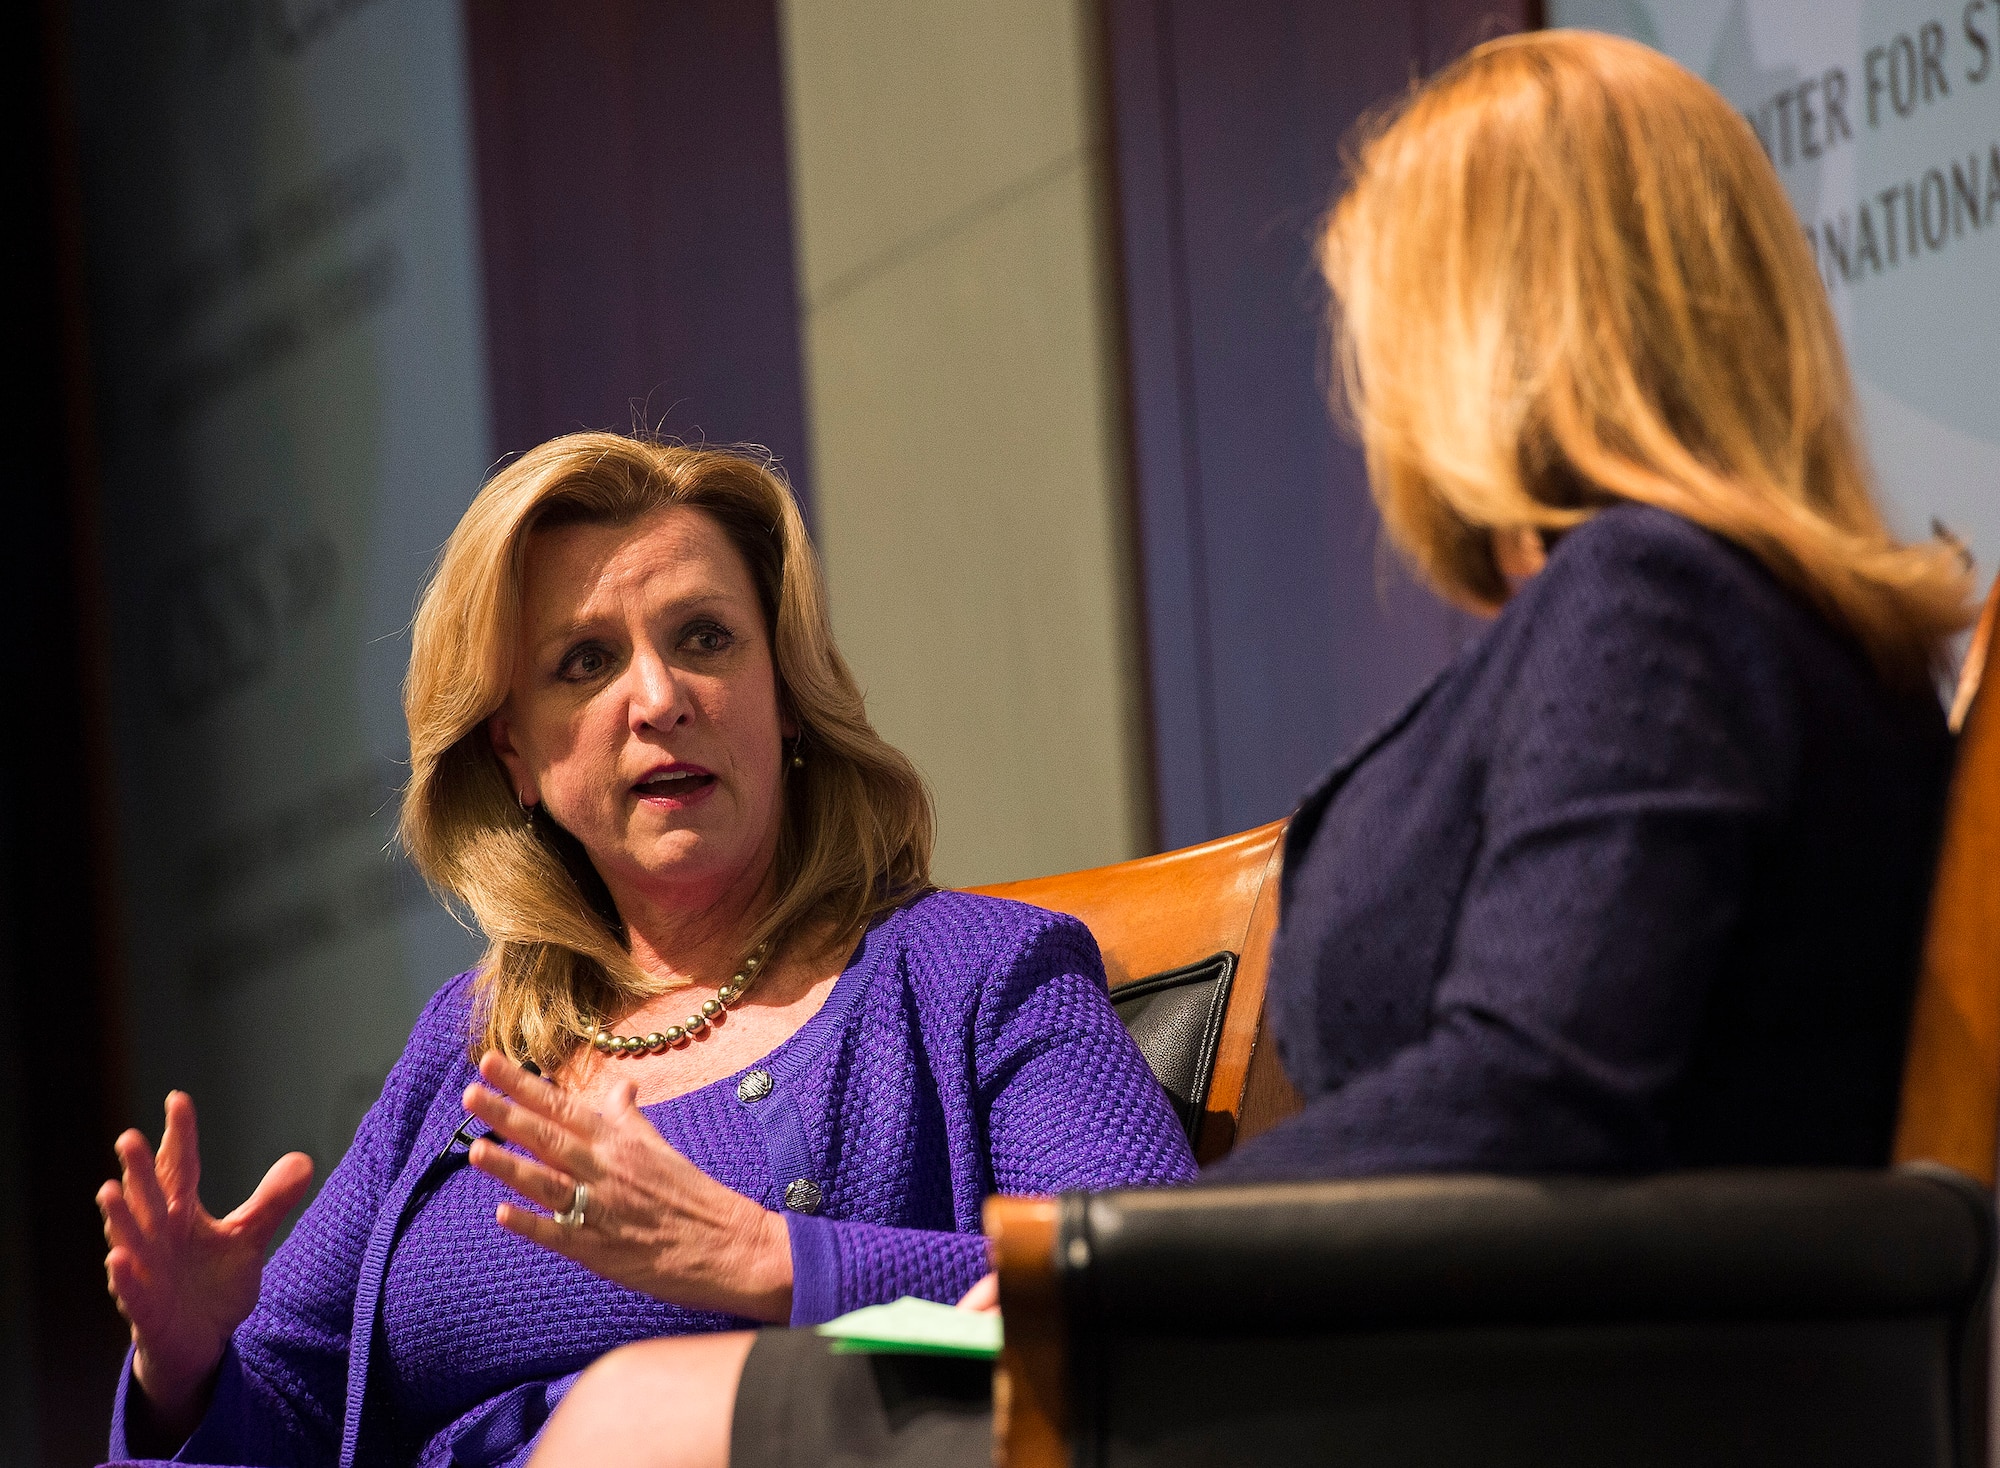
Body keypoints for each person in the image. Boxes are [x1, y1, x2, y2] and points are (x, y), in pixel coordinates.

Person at [522, 28, 1974, 1468]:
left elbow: (1536, 1086)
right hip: (1518, 1343)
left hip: (1539, 1383)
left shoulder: (1653, 602)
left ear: (1487, 325)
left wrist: (1105, 1264)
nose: (1371, 381)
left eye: (1384, 316)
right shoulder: (1770, 617)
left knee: (633, 1422)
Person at [96, 437, 1198, 1467]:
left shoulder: (972, 972)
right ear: (515, 754)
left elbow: (1150, 1306)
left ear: (786, 697)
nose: (658, 699)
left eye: (704, 638)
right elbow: (282, 1411)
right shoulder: (475, 1042)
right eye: (583, 661)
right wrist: (184, 1363)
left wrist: (769, 1260)